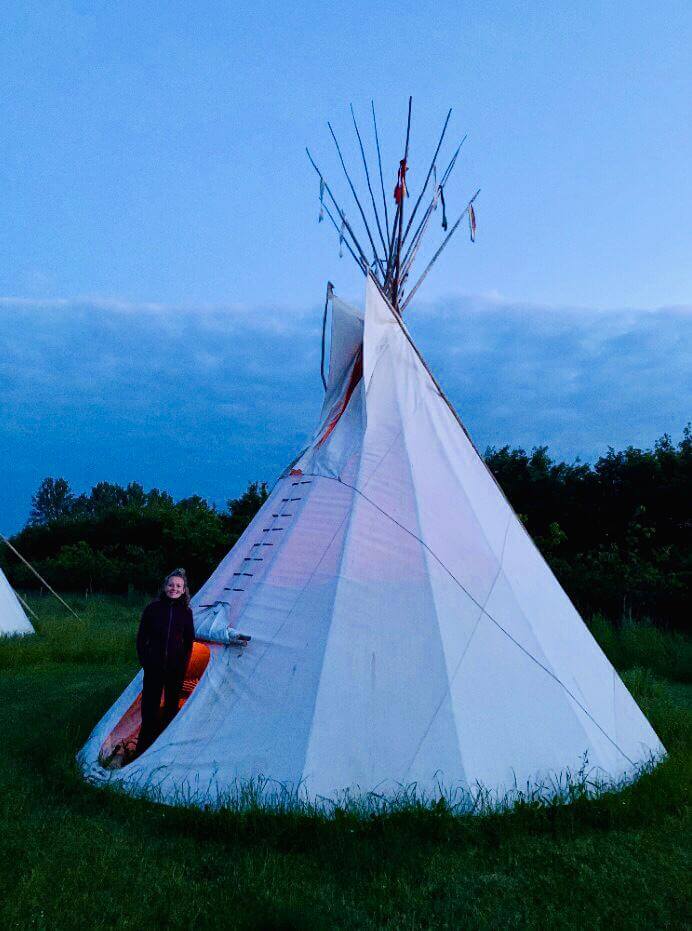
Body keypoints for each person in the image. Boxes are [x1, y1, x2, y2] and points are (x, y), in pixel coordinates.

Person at [135, 568, 195, 756]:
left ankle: (163, 749)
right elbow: (141, 638)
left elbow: (189, 641)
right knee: (149, 708)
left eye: (178, 586)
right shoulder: (152, 609)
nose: (174, 589)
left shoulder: (186, 612)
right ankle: (142, 748)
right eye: (171, 585)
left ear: (184, 590)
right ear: (165, 587)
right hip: (154, 667)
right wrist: (146, 661)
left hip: (175, 669)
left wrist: (183, 664)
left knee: (171, 707)